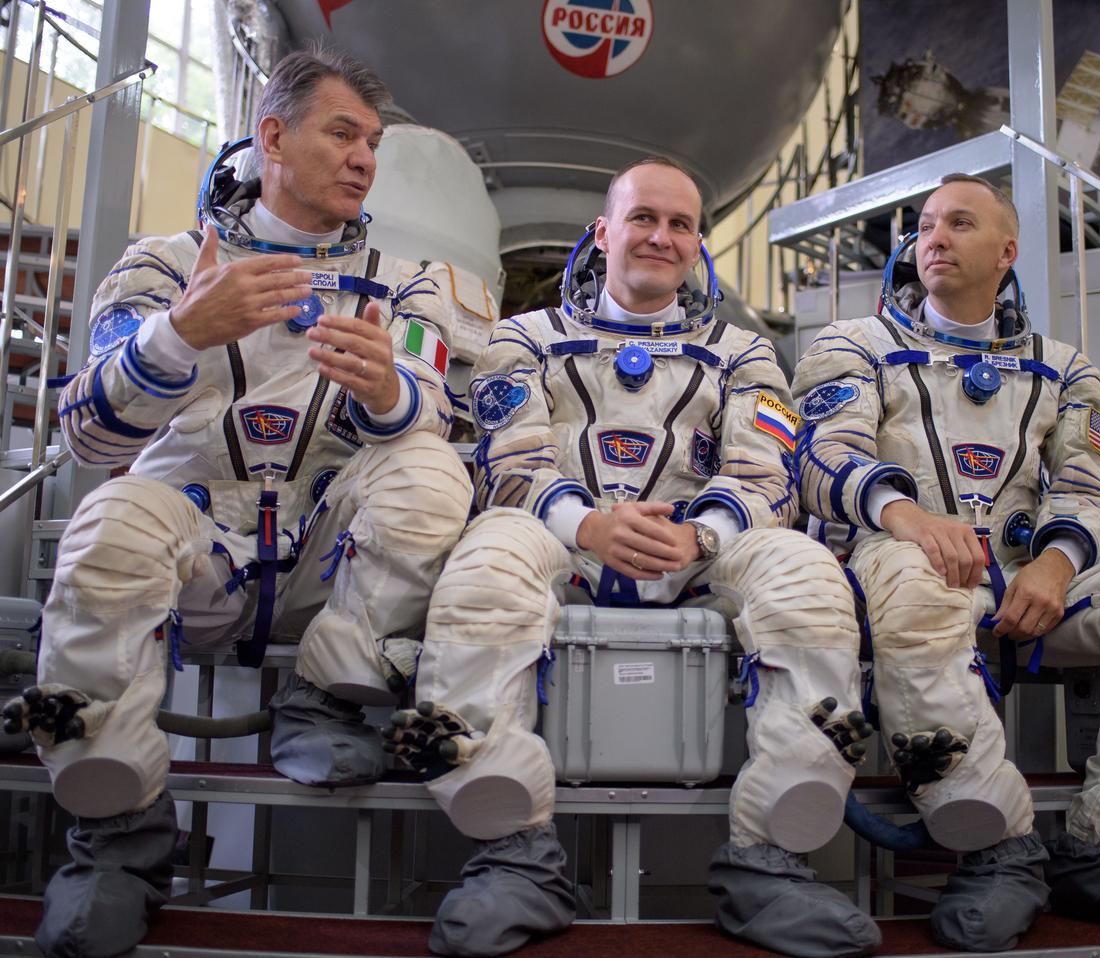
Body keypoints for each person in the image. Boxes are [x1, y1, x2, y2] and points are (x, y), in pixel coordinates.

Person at [1, 48, 472, 958]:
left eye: (372, 141)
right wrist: (178, 337)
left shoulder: (405, 281)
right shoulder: (166, 266)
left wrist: (385, 390)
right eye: (342, 133)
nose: (364, 157)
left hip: (326, 564)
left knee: (431, 469)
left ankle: (329, 695)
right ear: (272, 137)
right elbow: (88, 438)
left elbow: (433, 410)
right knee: (109, 516)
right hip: (194, 550)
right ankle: (117, 837)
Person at [382, 156, 879, 958]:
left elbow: (765, 473)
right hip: (563, 539)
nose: (661, 236)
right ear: (604, 232)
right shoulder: (526, 338)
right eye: (643, 217)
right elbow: (513, 466)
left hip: (698, 550)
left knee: (806, 573)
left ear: (697, 246)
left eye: (681, 224)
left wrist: (701, 534)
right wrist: (590, 528)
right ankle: (516, 853)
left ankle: (771, 857)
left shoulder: (743, 354)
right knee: (487, 558)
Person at [791, 173, 1100, 951]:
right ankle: (996, 846)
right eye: (927, 224)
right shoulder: (852, 346)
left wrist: (1058, 565)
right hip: (904, 558)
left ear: (1007, 251)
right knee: (915, 589)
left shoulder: (1063, 366)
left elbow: (1084, 483)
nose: (933, 236)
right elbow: (823, 457)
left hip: (1031, 575)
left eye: (959, 223)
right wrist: (910, 517)